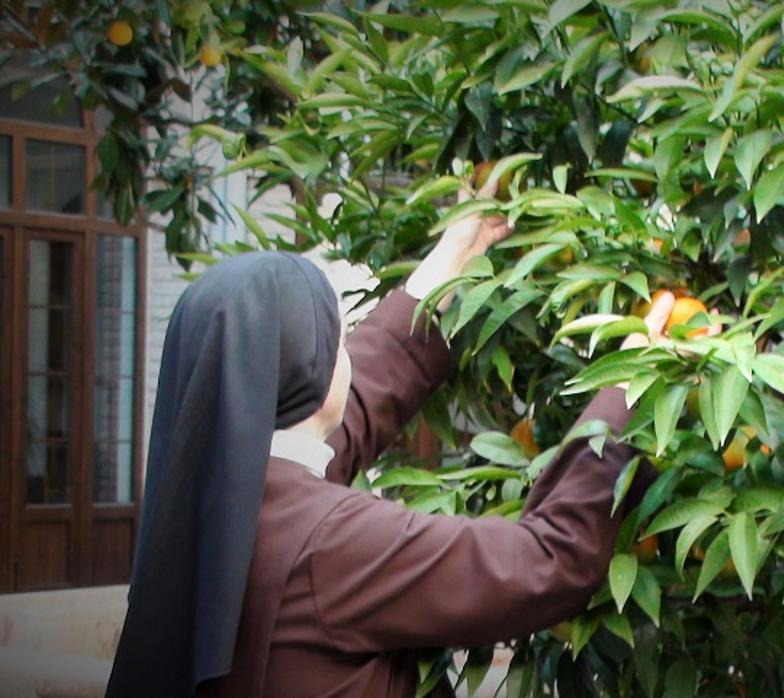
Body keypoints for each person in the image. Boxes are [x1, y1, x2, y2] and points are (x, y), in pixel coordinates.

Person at [105, 194, 677, 697]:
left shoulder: (220, 507)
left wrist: (457, 253)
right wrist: (626, 388)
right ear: (306, 371)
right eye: (337, 338)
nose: (349, 352)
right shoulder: (332, 545)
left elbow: (361, 397)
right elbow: (543, 562)